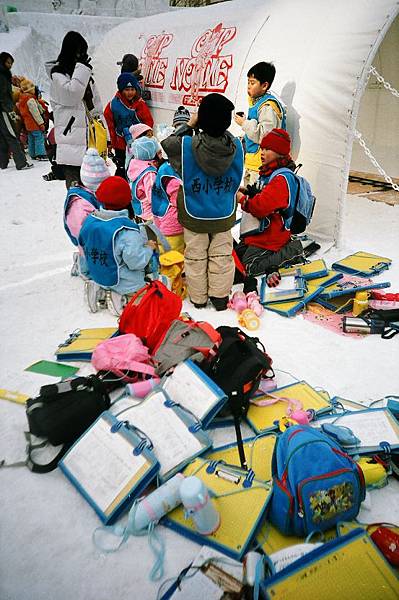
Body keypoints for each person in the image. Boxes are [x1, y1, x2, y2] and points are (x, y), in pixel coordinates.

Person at [161, 92, 244, 311]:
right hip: (223, 213)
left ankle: (198, 299)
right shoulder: (236, 147)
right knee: (222, 255)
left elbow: (167, 144)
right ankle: (219, 297)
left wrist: (189, 124)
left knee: (195, 257)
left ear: (202, 119)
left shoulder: (187, 146)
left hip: (195, 212)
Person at [235, 128, 304, 281]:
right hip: (259, 232)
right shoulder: (269, 172)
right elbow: (263, 194)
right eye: (262, 148)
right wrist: (246, 191)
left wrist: (241, 199)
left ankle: (293, 250)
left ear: (280, 152)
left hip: (271, 237)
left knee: (248, 268)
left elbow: (260, 207)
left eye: (268, 149)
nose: (262, 152)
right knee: (235, 258)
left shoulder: (282, 179)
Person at [79, 175, 156, 299]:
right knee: (159, 282)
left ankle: (101, 290)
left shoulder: (89, 221)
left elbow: (83, 250)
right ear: (127, 201)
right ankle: (120, 299)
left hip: (97, 275)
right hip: (124, 283)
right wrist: (148, 248)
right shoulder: (126, 231)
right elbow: (136, 262)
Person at [46, 31, 104, 189]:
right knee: (77, 195)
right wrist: (83, 69)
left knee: (95, 191)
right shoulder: (58, 76)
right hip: (72, 143)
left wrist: (105, 135)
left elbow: (96, 107)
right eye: (80, 52)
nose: (82, 57)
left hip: (90, 143)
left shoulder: (84, 75)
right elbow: (72, 95)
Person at [234, 62, 286, 185]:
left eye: (252, 83)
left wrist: (244, 123)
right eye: (248, 82)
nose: (248, 86)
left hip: (261, 165)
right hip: (253, 162)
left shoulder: (268, 106)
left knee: (255, 199)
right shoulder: (257, 103)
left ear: (264, 86)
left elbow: (265, 136)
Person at [64, 148, 110, 276]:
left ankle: (82, 260)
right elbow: (80, 229)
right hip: (84, 237)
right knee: (91, 264)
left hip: (91, 235)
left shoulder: (90, 194)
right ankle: (83, 268)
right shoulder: (80, 204)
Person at [104, 72, 153, 179]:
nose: (130, 92)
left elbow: (148, 121)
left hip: (138, 143)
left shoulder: (140, 104)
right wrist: (111, 142)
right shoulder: (113, 105)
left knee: (137, 168)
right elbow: (109, 125)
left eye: (132, 89)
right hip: (120, 143)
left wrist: (146, 135)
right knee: (121, 169)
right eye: (126, 90)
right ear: (121, 90)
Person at [0, 51, 32, 170]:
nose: (10, 65)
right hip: (3, 110)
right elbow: (3, 95)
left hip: (2, 109)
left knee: (2, 136)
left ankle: (2, 163)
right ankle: (21, 162)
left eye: (11, 63)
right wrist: (9, 109)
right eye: (8, 62)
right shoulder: (2, 75)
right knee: (11, 135)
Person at [127, 135, 161, 221]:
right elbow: (152, 197)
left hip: (138, 209)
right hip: (150, 213)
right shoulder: (149, 173)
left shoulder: (134, 166)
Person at [17, 78, 47, 161]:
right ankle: (40, 154)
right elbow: (35, 113)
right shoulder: (30, 100)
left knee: (31, 138)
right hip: (34, 123)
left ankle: (32, 154)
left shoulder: (22, 99)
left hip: (27, 124)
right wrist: (41, 123)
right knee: (39, 138)